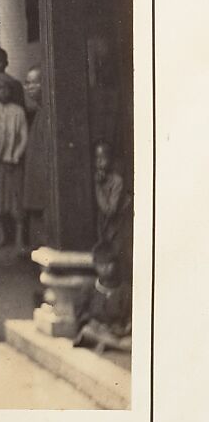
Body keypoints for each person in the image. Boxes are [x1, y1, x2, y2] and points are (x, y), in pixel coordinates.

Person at [0, 73, 29, 252]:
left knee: (15, 198)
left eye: (6, 88)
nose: (3, 92)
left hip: (13, 161)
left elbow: (24, 135)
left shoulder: (18, 111)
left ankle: (19, 239)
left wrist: (16, 153)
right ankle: (2, 236)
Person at [73, 241, 131, 355]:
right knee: (87, 331)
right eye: (101, 264)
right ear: (95, 264)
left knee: (131, 340)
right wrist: (96, 324)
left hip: (119, 333)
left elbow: (131, 316)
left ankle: (111, 344)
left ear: (116, 264)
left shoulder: (125, 290)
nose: (106, 268)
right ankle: (112, 344)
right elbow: (81, 314)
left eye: (110, 264)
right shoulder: (89, 288)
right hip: (97, 331)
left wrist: (125, 328)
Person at [21, 65, 51, 248]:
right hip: (35, 179)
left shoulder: (48, 113)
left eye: (34, 82)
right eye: (27, 83)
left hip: (42, 181)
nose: (29, 87)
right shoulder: (39, 112)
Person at [94, 140, 133, 278]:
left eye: (103, 158)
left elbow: (110, 210)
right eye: (97, 158)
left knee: (115, 262)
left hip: (116, 229)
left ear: (110, 159)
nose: (99, 162)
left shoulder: (117, 181)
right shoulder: (98, 178)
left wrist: (99, 188)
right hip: (104, 229)